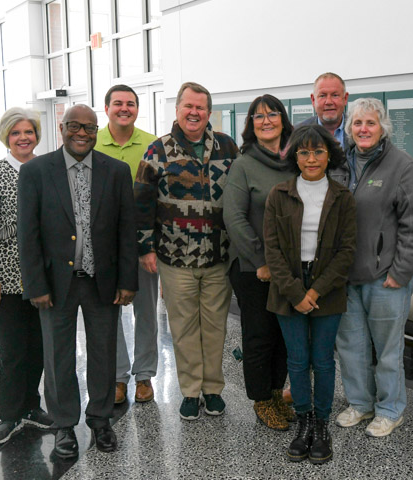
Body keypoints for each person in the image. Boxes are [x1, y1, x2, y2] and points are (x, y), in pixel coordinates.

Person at [17, 104, 138, 459]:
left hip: (103, 281)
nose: (81, 133)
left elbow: (125, 230)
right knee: (58, 358)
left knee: (104, 354)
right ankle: (64, 425)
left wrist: (127, 280)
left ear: (97, 130)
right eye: (74, 126)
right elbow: (29, 233)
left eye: (89, 127)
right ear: (62, 128)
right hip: (56, 284)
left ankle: (101, 420)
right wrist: (35, 284)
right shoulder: (37, 171)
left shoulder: (115, 171)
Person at [134, 82, 239, 421]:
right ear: (177, 109)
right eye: (188, 106)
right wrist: (146, 248)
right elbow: (142, 204)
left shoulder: (227, 147)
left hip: (218, 256)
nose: (194, 113)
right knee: (183, 328)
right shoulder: (157, 151)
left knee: (214, 326)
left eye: (201, 108)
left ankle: (213, 390)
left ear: (209, 112)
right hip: (174, 257)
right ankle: (191, 392)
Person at [332, 97, 413, 437]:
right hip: (345, 276)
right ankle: (360, 403)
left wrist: (400, 273)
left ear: (382, 126)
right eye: (357, 124)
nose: (363, 129)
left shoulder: (401, 165)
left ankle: (390, 409)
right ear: (349, 128)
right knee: (351, 345)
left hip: (386, 277)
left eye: (370, 123)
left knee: (387, 349)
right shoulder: (340, 164)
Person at [264, 124, 356, 464]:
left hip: (327, 289)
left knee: (323, 361)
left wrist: (315, 290)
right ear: (295, 157)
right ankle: (302, 422)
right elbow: (272, 251)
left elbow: (347, 252)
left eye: (318, 151)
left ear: (329, 155)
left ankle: (321, 426)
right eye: (304, 152)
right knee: (298, 361)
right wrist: (295, 292)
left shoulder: (343, 197)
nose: (312, 158)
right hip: (288, 286)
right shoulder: (279, 195)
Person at [0, 107, 53, 445]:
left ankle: (31, 406)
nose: (23, 138)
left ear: (37, 135)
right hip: (3, 280)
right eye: (16, 133)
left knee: (38, 347)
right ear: (6, 137)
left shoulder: (47, 171)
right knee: (13, 349)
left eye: (28, 132)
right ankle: (9, 415)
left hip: (40, 278)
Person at [223, 94, 296, 430]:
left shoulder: (296, 159)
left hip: (290, 268)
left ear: (284, 118)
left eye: (272, 114)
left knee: (284, 335)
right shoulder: (243, 164)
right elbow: (234, 217)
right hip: (255, 268)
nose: (266, 120)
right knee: (259, 336)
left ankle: (276, 392)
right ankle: (261, 400)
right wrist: (262, 260)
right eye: (258, 116)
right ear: (250, 124)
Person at [95, 84, 159, 405]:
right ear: (106, 108)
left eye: (130, 104)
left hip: (142, 244)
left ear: (137, 109)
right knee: (109, 312)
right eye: (117, 103)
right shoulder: (91, 144)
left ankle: (144, 375)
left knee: (146, 311)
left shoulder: (152, 144)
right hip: (104, 245)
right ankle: (118, 376)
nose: (124, 108)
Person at [297, 72, 349, 150]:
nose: (329, 102)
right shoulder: (297, 132)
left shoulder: (359, 130)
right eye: (322, 96)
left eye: (335, 95)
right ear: (313, 100)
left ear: (345, 98)